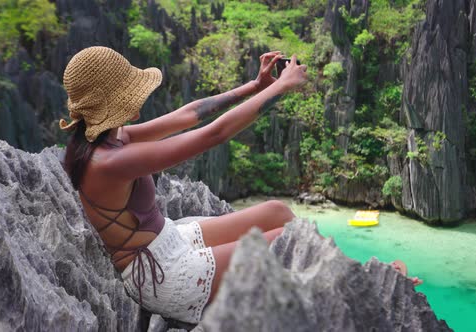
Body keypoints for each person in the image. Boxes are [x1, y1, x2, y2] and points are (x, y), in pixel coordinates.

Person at [59, 46, 307, 323]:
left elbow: (188, 115)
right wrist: (281, 88)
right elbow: (214, 134)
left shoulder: (108, 139)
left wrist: (255, 87)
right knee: (294, 241)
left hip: (168, 240)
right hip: (163, 274)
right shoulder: (109, 162)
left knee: (276, 212)